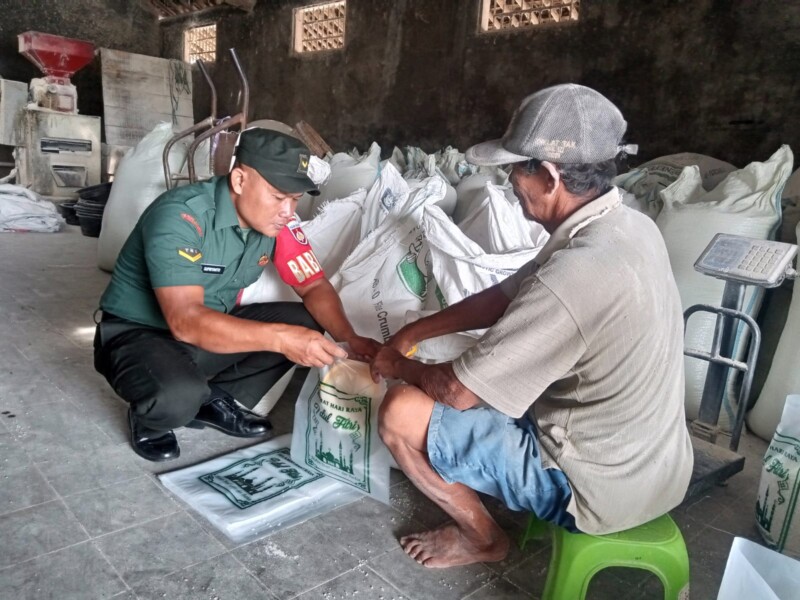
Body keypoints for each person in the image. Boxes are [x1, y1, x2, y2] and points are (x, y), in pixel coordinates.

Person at [370, 84, 694, 568]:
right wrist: (414, 333)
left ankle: (482, 539)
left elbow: (458, 393)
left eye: (513, 170)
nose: (509, 183)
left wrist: (396, 364)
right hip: (656, 467)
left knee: (401, 410)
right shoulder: (622, 226)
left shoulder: (577, 273)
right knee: (465, 372)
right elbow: (505, 295)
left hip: (596, 490)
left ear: (548, 175)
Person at [95, 128, 379, 462]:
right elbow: (185, 320)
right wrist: (282, 338)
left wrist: (349, 338)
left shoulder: (277, 226)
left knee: (306, 321)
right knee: (178, 396)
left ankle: (216, 400)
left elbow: (313, 285)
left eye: (296, 199)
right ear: (240, 180)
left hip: (205, 332)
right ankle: (152, 420)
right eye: (278, 196)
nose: (288, 211)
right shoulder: (182, 216)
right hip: (139, 335)